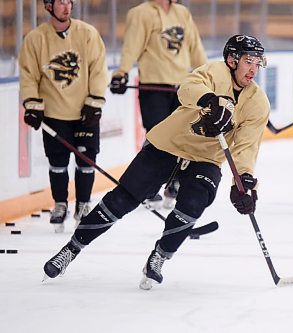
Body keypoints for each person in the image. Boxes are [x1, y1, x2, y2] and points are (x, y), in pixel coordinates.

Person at [43, 35, 270, 290]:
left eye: (257, 63)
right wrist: (209, 100)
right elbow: (187, 88)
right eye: (248, 61)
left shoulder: (258, 103)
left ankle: (159, 257)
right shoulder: (214, 71)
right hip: (168, 143)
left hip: (205, 158)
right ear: (232, 60)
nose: (253, 69)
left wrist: (245, 181)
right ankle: (71, 249)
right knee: (122, 200)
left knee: (195, 203)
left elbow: (246, 147)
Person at [19, 0, 108, 232]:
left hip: (84, 111)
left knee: (86, 161)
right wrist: (32, 104)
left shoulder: (87, 34)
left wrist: (95, 101)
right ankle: (60, 205)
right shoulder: (35, 39)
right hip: (54, 112)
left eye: (70, 2)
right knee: (57, 162)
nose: (67, 7)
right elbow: (28, 74)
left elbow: (98, 68)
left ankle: (83, 206)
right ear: (48, 6)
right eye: (61, 2)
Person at [109, 0, 208, 210]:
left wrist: (210, 77)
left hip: (182, 87)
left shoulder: (182, 13)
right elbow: (132, 47)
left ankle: (173, 182)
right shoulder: (141, 13)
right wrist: (122, 72)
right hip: (154, 87)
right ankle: (148, 185)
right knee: (156, 137)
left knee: (181, 137)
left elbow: (195, 49)